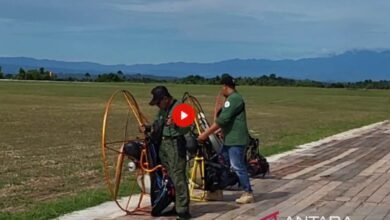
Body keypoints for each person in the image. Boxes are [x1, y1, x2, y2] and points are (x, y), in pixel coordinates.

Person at [197, 75, 255, 204]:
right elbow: (228, 121)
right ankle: (217, 191)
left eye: (221, 87)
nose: (221, 90)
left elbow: (222, 120)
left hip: (236, 140)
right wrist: (219, 131)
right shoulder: (234, 99)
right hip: (230, 139)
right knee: (221, 163)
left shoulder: (233, 99)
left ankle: (248, 192)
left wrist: (205, 134)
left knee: (237, 166)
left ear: (225, 86)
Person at [148, 86, 191, 219]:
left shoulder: (181, 108)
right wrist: (147, 127)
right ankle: (175, 204)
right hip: (163, 144)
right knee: (169, 176)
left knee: (178, 176)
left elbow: (186, 128)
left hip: (175, 144)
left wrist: (176, 123)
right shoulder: (162, 110)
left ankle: (183, 210)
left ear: (165, 99)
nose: (157, 106)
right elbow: (157, 124)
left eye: (158, 102)